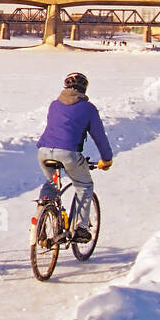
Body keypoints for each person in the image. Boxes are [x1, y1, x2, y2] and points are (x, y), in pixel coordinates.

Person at [36, 72, 113, 243]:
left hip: (43, 151)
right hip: (68, 153)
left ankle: (43, 211)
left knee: (51, 184)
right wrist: (106, 159)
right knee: (84, 186)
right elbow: (99, 136)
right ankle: (80, 228)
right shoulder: (88, 108)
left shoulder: (54, 105)